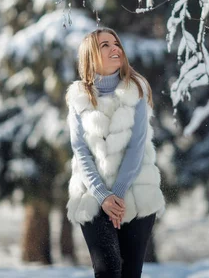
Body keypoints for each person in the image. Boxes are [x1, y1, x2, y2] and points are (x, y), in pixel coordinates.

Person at [65, 28, 166, 278]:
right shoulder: (79, 97)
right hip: (92, 196)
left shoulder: (137, 90)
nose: (115, 48)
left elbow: (137, 147)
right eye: (105, 45)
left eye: (116, 43)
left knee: (130, 274)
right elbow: (80, 151)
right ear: (90, 56)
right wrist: (103, 196)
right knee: (108, 271)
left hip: (136, 194)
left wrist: (118, 195)